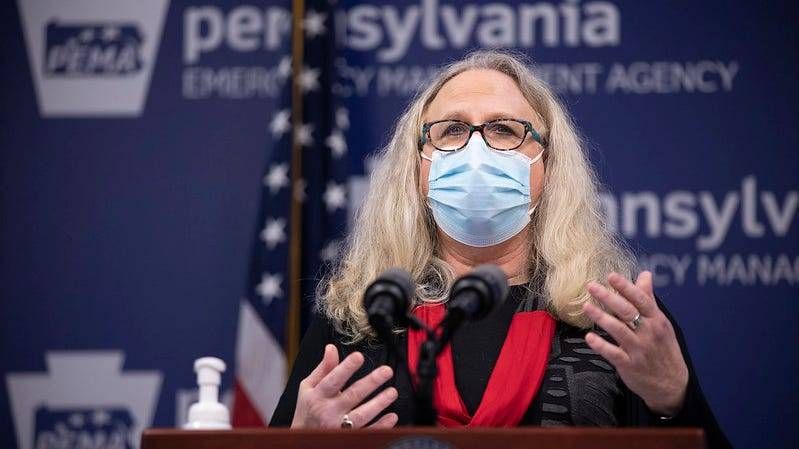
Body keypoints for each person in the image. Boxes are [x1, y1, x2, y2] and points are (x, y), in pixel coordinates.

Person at [270, 50, 731, 448]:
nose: (477, 150)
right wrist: (300, 443)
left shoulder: (615, 319)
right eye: (452, 130)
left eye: (505, 130)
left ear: (548, 165)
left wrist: (673, 399)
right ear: (417, 168)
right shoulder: (360, 317)